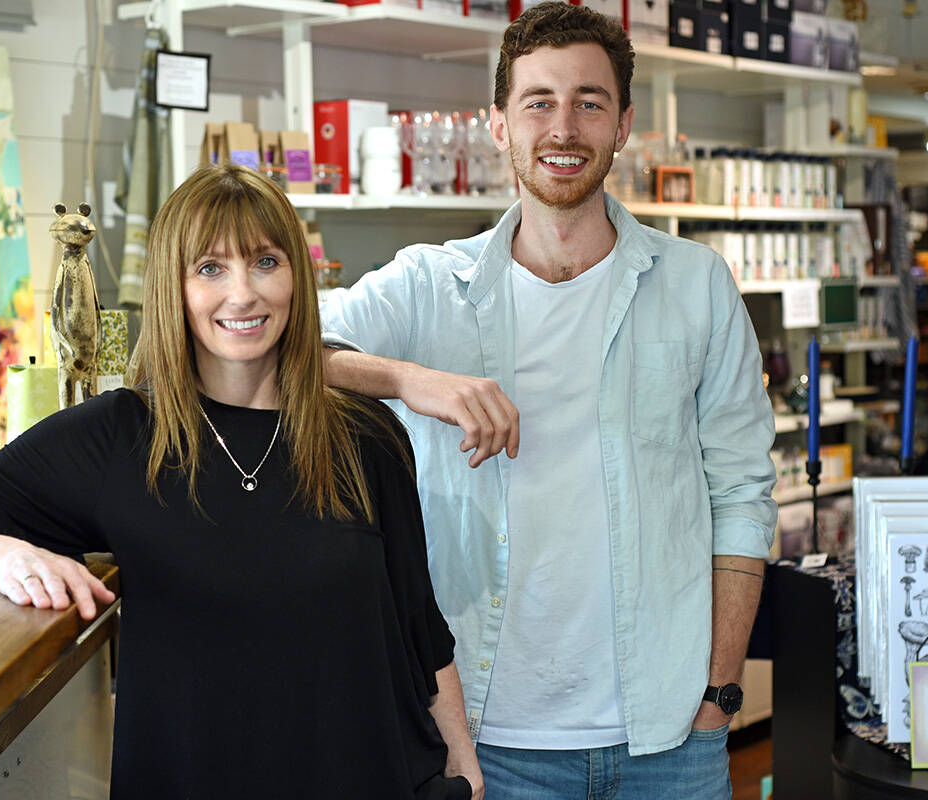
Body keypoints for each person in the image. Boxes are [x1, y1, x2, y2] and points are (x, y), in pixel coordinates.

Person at [0, 164, 481, 800]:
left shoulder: (368, 437)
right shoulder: (118, 437)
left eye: (266, 262)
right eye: (210, 268)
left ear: (297, 276)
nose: (243, 294)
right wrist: (7, 555)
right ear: (173, 286)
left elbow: (420, 632)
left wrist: (463, 764)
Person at [319, 3, 777, 797]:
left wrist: (718, 694)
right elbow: (284, 347)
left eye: (588, 103)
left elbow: (740, 491)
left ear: (624, 123)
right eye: (538, 102)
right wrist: (412, 380)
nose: (562, 128)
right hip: (487, 742)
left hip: (668, 741)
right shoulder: (430, 285)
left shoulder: (697, 286)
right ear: (497, 124)